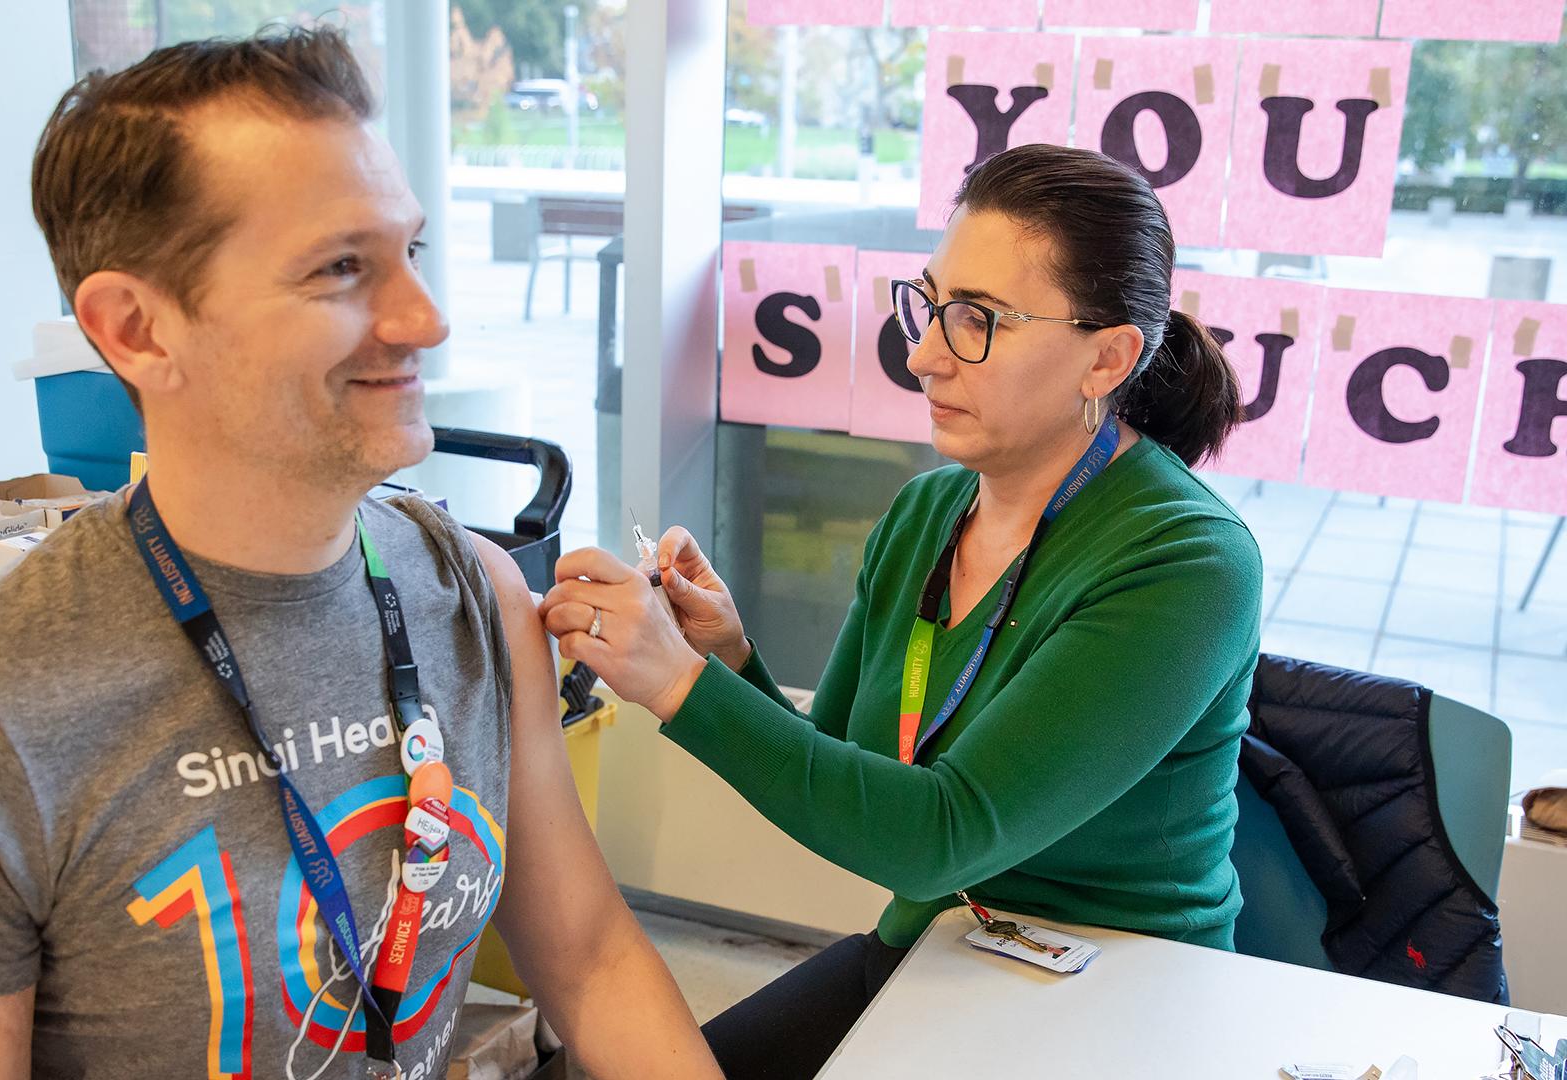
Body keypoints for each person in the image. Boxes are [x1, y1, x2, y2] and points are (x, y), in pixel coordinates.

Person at [0, 28, 720, 1080]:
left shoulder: (468, 589)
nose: (426, 319)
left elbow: (593, 963)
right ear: (138, 330)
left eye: (408, 253)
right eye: (342, 269)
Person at [540, 143, 1261, 1078]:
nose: (921, 354)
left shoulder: (1186, 559)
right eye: (929, 306)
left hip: (1117, 1001)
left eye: (977, 322)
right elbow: (850, 775)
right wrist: (726, 657)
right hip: (942, 948)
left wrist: (677, 687)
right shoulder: (929, 511)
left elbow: (936, 836)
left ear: (1108, 358)